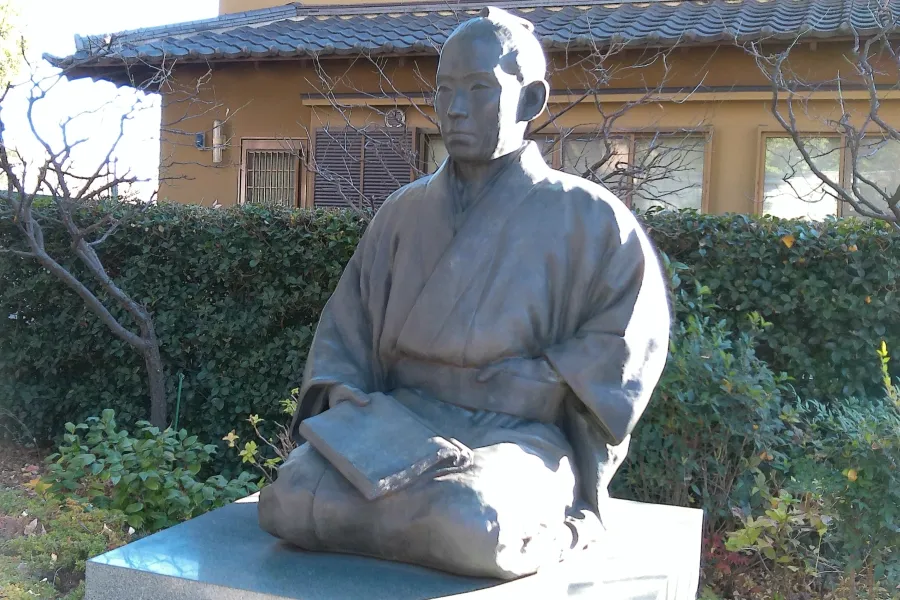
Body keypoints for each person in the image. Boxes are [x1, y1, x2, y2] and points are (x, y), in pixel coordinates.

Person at [258, 6, 670, 580]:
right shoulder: (403, 212)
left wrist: (544, 379)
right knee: (290, 498)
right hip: (395, 426)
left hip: (516, 435)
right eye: (444, 89)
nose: (453, 108)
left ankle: (566, 528)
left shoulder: (592, 218)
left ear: (529, 101)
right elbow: (346, 327)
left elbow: (625, 340)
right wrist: (347, 396)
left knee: (469, 520)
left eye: (478, 89)